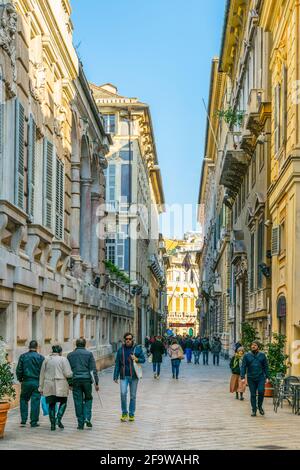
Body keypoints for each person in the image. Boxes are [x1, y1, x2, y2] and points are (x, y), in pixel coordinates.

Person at [67, 338, 99, 430]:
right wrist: (96, 383)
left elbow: (68, 371)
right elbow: (93, 369)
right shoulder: (89, 354)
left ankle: (80, 423)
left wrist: (70, 383)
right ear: (85, 344)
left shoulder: (70, 355)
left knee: (78, 401)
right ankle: (87, 418)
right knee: (88, 398)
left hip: (75, 380)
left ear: (76, 345)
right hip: (86, 380)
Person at [39, 345, 73, 431]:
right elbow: (68, 374)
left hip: (49, 384)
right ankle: (58, 418)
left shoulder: (46, 360)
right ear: (60, 352)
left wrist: (41, 387)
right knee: (63, 402)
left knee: (51, 404)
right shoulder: (63, 359)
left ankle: (52, 424)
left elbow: (42, 374)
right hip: (61, 384)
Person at [114, 332, 145, 422]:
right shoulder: (120, 350)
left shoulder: (137, 349)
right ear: (124, 340)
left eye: (129, 339)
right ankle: (124, 412)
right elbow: (117, 364)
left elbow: (143, 360)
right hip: (123, 376)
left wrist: (137, 359)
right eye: (126, 339)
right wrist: (115, 376)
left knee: (132, 396)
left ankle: (131, 414)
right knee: (123, 394)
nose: (128, 340)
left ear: (132, 340)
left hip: (134, 376)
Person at [16, 340, 44, 428]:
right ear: (37, 347)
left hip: (26, 381)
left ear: (29, 347)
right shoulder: (41, 358)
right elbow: (43, 372)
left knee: (23, 399)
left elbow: (19, 370)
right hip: (36, 382)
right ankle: (33, 422)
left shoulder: (23, 356)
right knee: (35, 401)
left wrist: (20, 379)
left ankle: (23, 420)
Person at [240, 341, 270, 417]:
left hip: (260, 377)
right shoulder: (247, 356)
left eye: (255, 345)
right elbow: (243, 366)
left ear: (258, 347)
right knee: (253, 394)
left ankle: (259, 406)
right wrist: (242, 377)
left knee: (261, 392)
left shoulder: (262, 355)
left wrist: (267, 377)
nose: (253, 346)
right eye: (252, 345)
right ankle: (254, 409)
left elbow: (266, 367)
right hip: (251, 378)